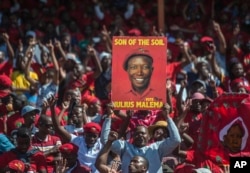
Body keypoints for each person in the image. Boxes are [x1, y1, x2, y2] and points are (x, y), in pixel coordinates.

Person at [101, 103, 181, 173]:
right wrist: (108, 116)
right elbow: (105, 140)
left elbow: (176, 140)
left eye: (143, 133)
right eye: (137, 134)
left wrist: (167, 117)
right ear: (133, 136)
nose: (140, 135)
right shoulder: (125, 147)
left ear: (149, 136)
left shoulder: (157, 148)